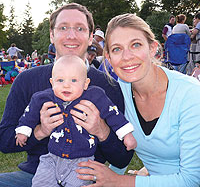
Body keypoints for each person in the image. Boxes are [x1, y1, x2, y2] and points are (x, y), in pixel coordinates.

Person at [0, 3, 133, 187]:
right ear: (52, 35)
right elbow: (4, 141)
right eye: (63, 28)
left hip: (84, 177)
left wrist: (101, 130)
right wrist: (39, 131)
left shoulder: (108, 86)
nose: (71, 35)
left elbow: (122, 158)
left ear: (90, 37)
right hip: (36, 175)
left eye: (80, 28)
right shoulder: (26, 80)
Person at [76, 13, 200, 187]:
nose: (127, 56)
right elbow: (126, 146)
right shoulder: (120, 91)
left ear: (152, 48)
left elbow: (192, 180)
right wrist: (107, 179)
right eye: (117, 49)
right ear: (109, 58)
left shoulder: (190, 94)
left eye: (135, 45)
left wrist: (117, 181)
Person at [15, 55, 136, 186]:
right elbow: (30, 113)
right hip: (51, 159)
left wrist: (126, 134)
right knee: (40, 183)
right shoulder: (43, 97)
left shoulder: (95, 96)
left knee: (77, 183)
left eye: (73, 80)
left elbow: (114, 114)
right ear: (52, 82)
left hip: (82, 160)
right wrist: (24, 131)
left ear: (85, 84)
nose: (66, 85)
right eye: (60, 80)